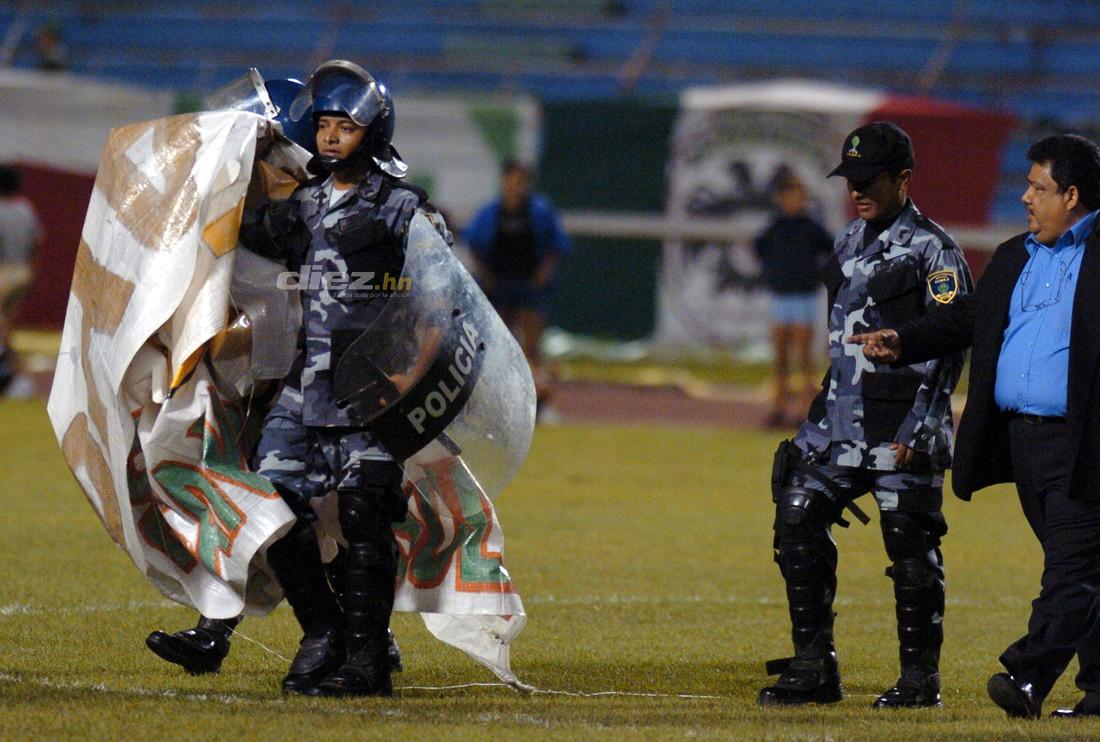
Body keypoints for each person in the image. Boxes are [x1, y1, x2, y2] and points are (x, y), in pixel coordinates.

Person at [850, 133, 1100, 720]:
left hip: (1085, 441)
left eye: (1037, 187)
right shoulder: (1016, 255)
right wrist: (903, 338)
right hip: (1023, 441)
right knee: (1082, 567)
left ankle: (1028, 676)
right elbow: (968, 318)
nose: (1024, 197)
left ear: (1071, 194)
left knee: (1073, 569)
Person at [758, 122, 973, 709]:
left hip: (904, 428)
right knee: (797, 514)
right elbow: (840, 348)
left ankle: (919, 679)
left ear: (903, 178)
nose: (857, 189)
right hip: (842, 428)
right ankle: (814, 666)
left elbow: (953, 342)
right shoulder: (847, 240)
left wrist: (923, 428)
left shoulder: (936, 249)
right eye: (851, 178)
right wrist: (814, 426)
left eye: (870, 178)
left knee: (910, 544)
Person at [465, 160, 569, 410]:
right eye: (511, 181)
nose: (515, 187)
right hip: (498, 286)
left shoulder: (540, 212)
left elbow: (558, 244)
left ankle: (540, 402)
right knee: (496, 344)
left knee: (531, 346)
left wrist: (543, 273)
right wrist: (485, 274)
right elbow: (473, 240)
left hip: (529, 286)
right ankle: (494, 402)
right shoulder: (491, 213)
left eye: (520, 182)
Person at [753, 172, 833, 428]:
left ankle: (805, 410)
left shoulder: (811, 228)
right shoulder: (775, 227)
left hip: (804, 298)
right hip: (781, 297)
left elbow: (831, 249)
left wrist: (817, 276)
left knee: (804, 357)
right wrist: (772, 273)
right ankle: (778, 408)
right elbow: (760, 248)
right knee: (780, 358)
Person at [0, 165, 42, 398]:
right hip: (23, 271)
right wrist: (31, 272)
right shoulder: (26, 209)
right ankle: (16, 372)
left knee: (2, 325)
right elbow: (35, 244)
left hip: (3, 272)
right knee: (5, 323)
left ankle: (17, 373)